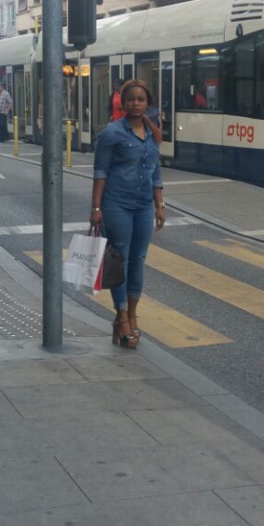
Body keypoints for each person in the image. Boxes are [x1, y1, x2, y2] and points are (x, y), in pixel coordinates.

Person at [90, 79, 165, 349]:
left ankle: (133, 314)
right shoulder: (111, 133)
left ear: (148, 103)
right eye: (131, 99)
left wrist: (160, 204)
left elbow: (156, 171)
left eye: (141, 99)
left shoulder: (153, 133)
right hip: (117, 205)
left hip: (144, 206)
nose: (135, 103)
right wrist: (96, 208)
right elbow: (101, 172)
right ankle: (121, 316)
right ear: (122, 101)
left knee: (139, 260)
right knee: (120, 262)